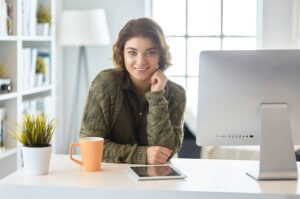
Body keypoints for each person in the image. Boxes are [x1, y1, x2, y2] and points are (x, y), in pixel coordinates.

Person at [80, 18, 186, 165]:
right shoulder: (105, 83)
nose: (141, 61)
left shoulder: (176, 93)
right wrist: (141, 155)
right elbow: (89, 145)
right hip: (110, 176)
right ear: (122, 54)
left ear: (160, 55)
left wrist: (157, 97)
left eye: (150, 52)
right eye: (132, 52)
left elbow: (165, 151)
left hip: (157, 179)